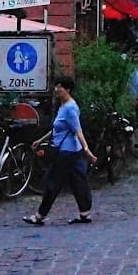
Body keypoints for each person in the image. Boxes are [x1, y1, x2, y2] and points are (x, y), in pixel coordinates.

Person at [23, 76, 96, 225]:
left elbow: (78, 130)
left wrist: (87, 150)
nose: (56, 89)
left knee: (53, 183)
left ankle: (39, 216)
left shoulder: (70, 108)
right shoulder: (63, 106)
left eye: (59, 86)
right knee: (78, 182)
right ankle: (85, 214)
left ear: (67, 89)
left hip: (65, 153)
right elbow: (59, 128)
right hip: (71, 152)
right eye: (56, 86)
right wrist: (41, 140)